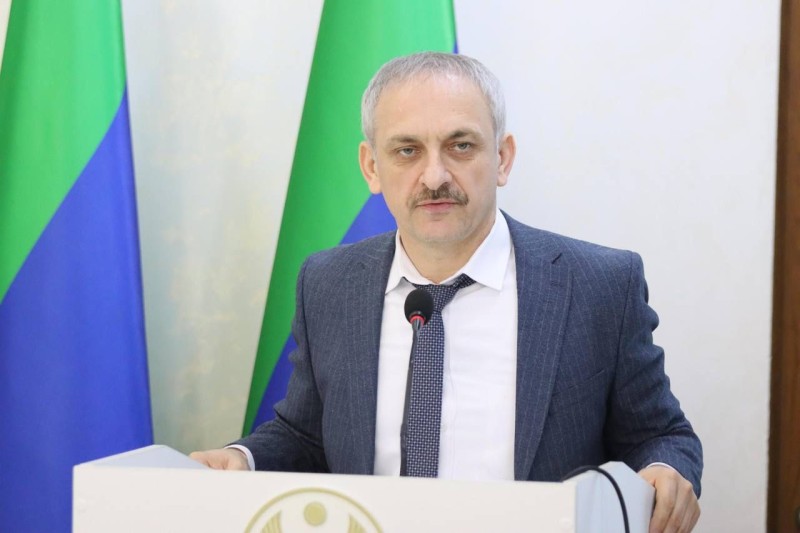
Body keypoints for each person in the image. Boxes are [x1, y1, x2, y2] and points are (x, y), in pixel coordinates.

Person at [191, 51, 702, 532]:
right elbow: (305, 436)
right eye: (407, 150)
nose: (434, 176)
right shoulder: (329, 284)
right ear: (372, 167)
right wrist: (243, 459)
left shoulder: (599, 285)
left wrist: (664, 469)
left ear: (502, 158)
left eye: (460, 146)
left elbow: (660, 435)